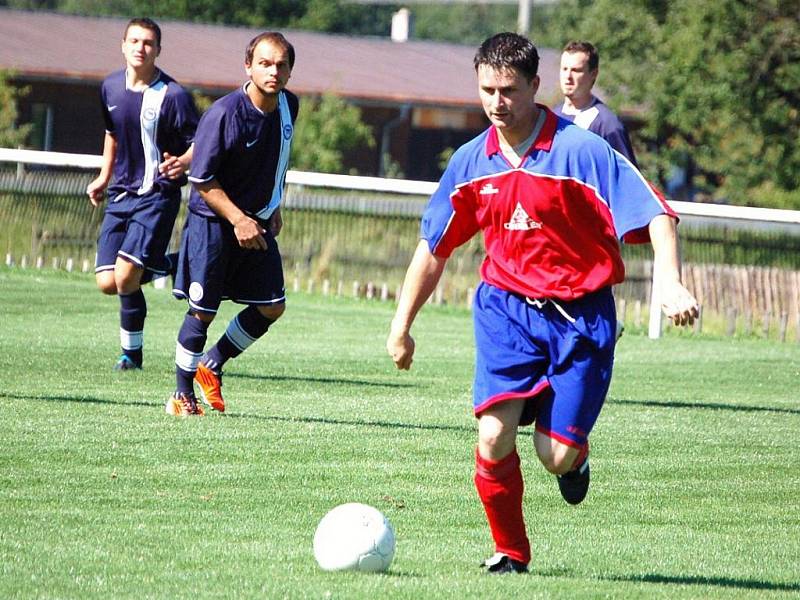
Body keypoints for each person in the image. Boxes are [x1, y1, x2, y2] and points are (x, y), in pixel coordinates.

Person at [386, 32, 698, 574]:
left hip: (582, 318)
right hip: (506, 311)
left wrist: (669, 283)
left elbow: (656, 214)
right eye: (487, 90)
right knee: (492, 433)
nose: (496, 102)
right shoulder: (470, 161)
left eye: (508, 90)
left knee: (554, 458)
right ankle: (511, 552)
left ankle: (575, 456)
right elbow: (433, 248)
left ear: (535, 86)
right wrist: (401, 325)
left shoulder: (581, 151)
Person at [167, 32, 299, 417]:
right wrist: (238, 218)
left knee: (272, 306)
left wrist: (273, 203)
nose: (273, 71)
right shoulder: (223, 114)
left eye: (281, 65)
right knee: (202, 312)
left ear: (290, 71)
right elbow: (202, 180)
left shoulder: (290, 105)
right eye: (265, 63)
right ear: (248, 66)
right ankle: (181, 394)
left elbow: (280, 156)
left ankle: (213, 362)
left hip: (255, 223)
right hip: (213, 224)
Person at [87, 17, 198, 371]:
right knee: (108, 282)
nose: (140, 48)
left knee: (125, 276)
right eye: (134, 41)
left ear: (158, 50)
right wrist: (103, 178)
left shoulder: (174, 96)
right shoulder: (110, 87)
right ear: (122, 45)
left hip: (157, 195)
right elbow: (112, 134)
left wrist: (182, 162)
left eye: (148, 43)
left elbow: (199, 144)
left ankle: (131, 357)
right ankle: (178, 263)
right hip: (121, 194)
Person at [554, 40, 637, 166]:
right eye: (564, 69)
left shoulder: (607, 124)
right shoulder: (552, 116)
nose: (568, 76)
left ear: (593, 74)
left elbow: (628, 179)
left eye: (576, 70)